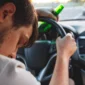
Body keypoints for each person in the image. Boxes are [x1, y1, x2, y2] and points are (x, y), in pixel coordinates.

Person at [0, 0, 77, 85]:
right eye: (19, 41)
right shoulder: (9, 72)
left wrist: (30, 15)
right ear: (5, 13)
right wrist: (63, 54)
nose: (14, 55)